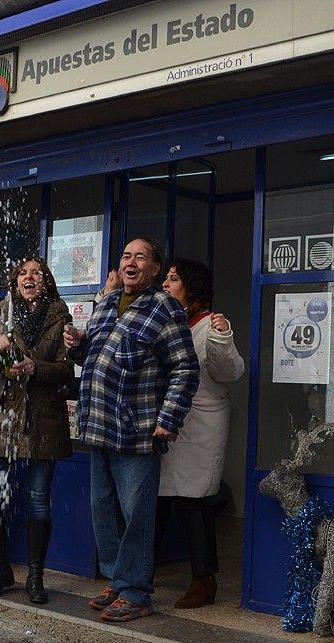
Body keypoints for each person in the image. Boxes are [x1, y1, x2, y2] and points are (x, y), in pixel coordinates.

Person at [63, 238, 199, 623]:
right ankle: (119, 581)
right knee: (104, 512)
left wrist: (168, 418)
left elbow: (185, 369)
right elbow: (93, 357)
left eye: (141, 257)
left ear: (156, 269)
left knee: (136, 514)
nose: (131, 262)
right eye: (125, 256)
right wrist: (77, 345)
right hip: (98, 426)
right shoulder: (105, 303)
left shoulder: (165, 307)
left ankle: (137, 592)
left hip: (136, 430)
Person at [0, 258, 74, 603]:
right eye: (23, 273)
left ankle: (35, 576)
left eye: (37, 273)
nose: (29, 277)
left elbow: (66, 370)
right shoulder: (1, 313)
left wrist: (36, 367)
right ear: (15, 281)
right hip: (2, 419)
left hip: (42, 421)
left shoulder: (60, 315)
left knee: (37, 501)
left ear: (46, 281)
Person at [155, 258, 245, 608]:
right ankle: (136, 573)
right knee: (160, 502)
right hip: (168, 425)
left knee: (195, 503)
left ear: (192, 289)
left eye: (173, 279)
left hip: (201, 425)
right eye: (165, 278)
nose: (165, 284)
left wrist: (223, 338)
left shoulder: (210, 325)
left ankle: (204, 580)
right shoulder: (166, 322)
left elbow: (230, 371)